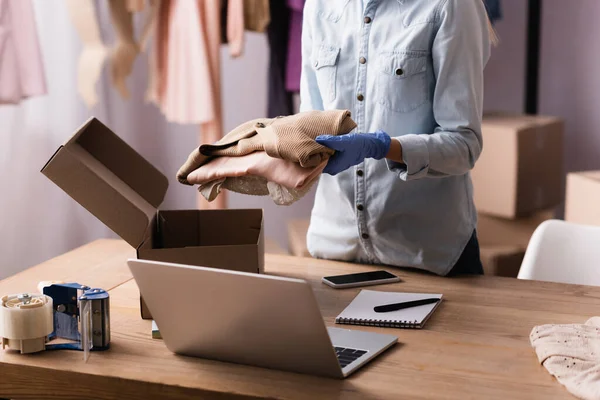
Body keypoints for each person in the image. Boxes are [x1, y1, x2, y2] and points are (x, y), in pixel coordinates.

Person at [300, 0, 494, 276]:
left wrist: (383, 147)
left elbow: (464, 145)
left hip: (427, 259)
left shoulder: (451, 5)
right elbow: (308, 121)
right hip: (333, 251)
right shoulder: (318, 5)